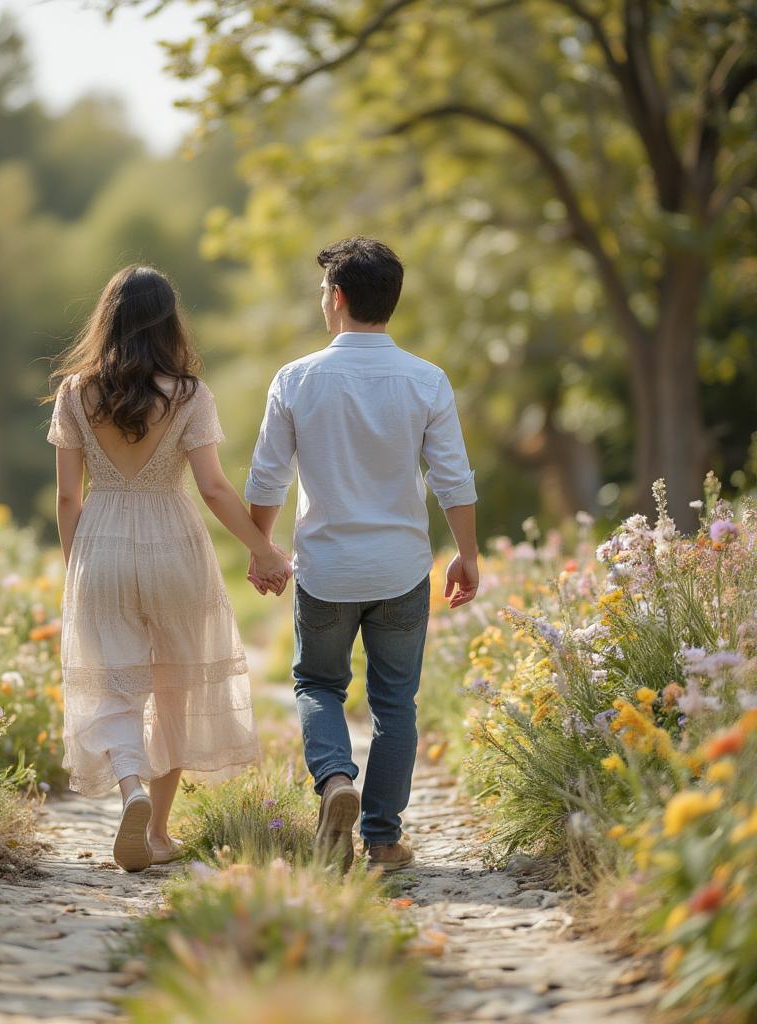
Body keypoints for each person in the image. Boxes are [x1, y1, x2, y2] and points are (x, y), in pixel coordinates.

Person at [245, 237, 479, 872]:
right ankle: (381, 839)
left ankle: (334, 782)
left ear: (339, 297)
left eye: (325, 290)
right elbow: (452, 477)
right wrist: (467, 555)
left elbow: (267, 478)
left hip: (326, 569)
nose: (323, 301)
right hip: (402, 569)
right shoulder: (427, 380)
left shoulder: (296, 379)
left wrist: (263, 548)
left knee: (317, 683)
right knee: (395, 702)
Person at [46, 265, 291, 872]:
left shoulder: (76, 392)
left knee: (115, 685)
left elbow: (67, 498)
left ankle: (130, 788)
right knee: (174, 687)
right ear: (169, 322)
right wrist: (263, 551)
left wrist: (77, 565)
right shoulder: (188, 394)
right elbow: (212, 487)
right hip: (173, 545)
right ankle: (155, 832)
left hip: (101, 542)